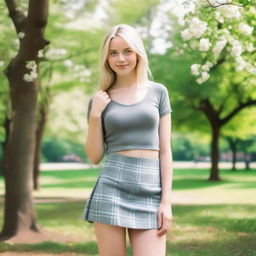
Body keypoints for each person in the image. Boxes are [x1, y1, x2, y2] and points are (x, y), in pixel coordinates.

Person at [82, 23, 173, 256]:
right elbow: (94, 157)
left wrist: (166, 202)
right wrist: (95, 115)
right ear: (106, 58)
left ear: (138, 54)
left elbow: (165, 150)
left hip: (151, 188)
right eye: (113, 53)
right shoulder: (100, 100)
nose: (120, 58)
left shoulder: (158, 92)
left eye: (127, 51)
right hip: (112, 187)